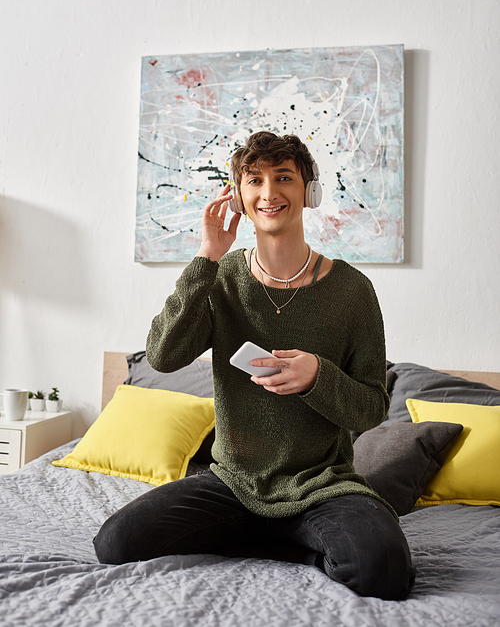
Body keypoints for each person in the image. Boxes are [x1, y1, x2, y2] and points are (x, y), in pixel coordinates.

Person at [94, 131, 415, 600]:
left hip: (321, 487)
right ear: (239, 197)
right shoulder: (220, 278)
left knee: (382, 572)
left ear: (309, 191)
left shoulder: (353, 290)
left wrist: (317, 377)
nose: (269, 193)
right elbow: (162, 356)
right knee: (114, 543)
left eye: (284, 177)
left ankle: (288, 538)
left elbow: (370, 411)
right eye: (254, 180)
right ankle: (289, 544)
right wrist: (206, 257)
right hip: (233, 483)